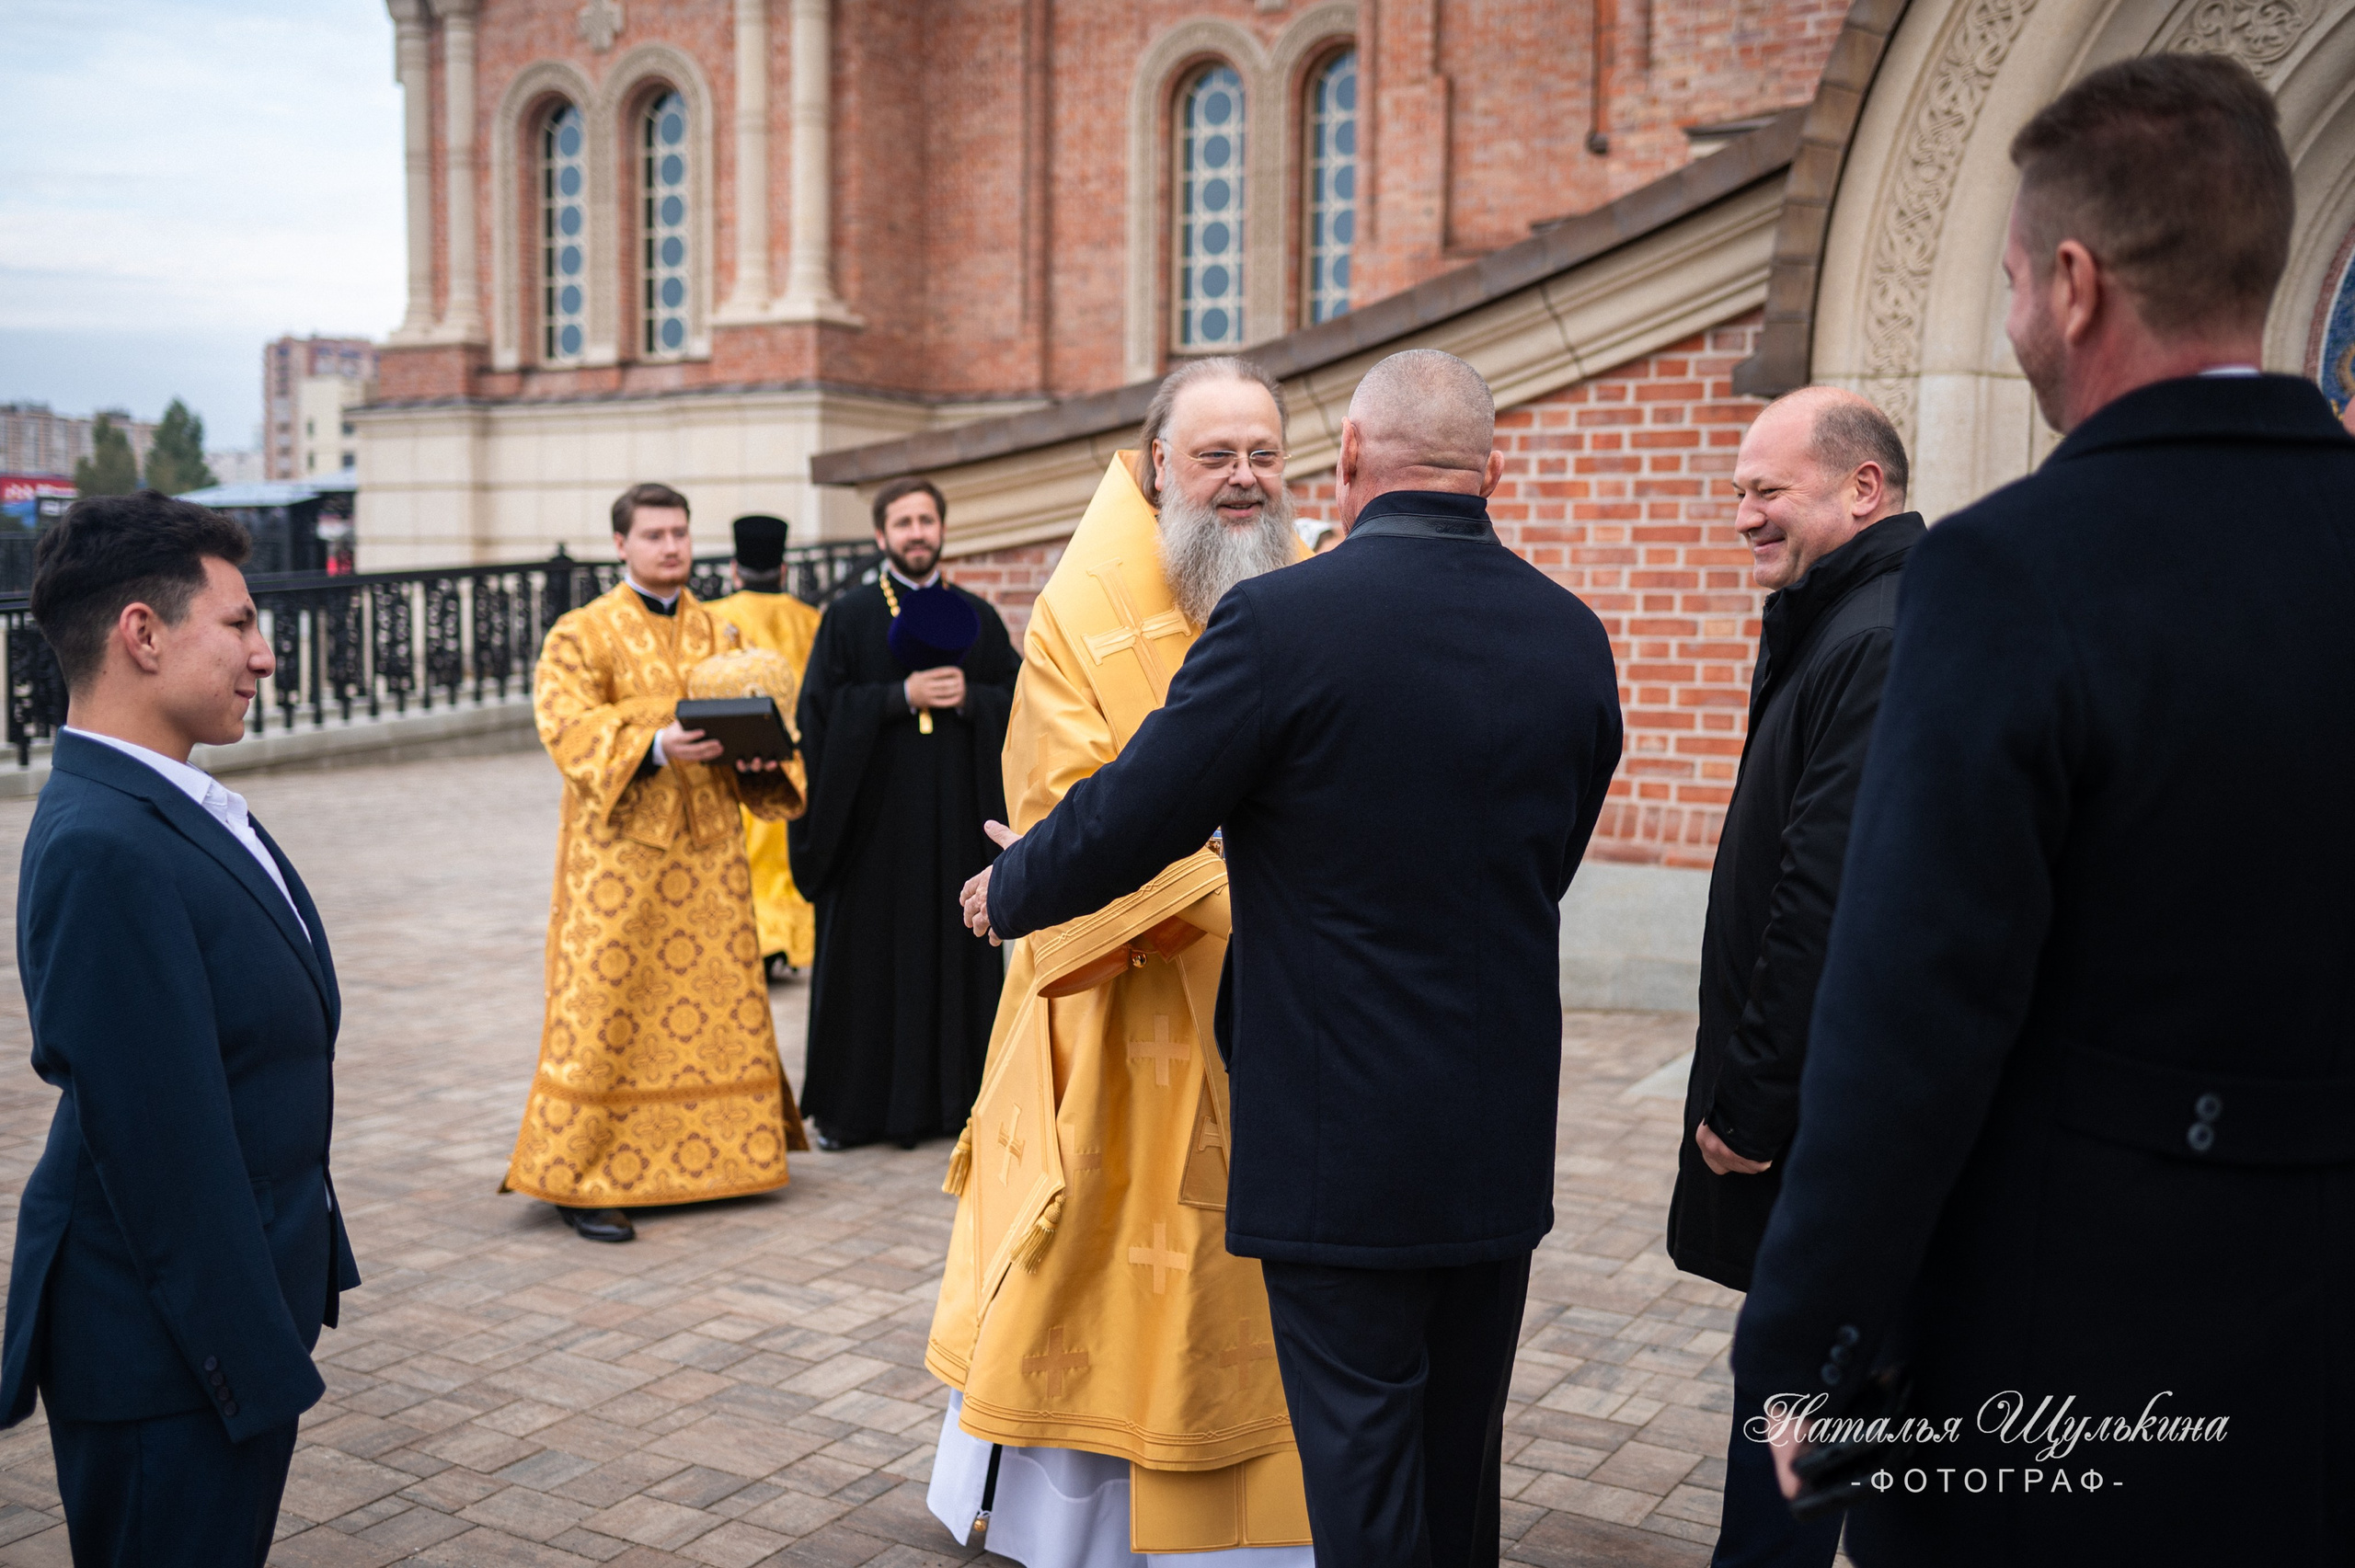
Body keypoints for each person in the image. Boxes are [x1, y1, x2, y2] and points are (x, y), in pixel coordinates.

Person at [1736, 55, 2355, 1562]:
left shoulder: (2011, 570)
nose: (2012, 315)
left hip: (2069, 1371)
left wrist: (1795, 1376)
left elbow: (1907, 1025)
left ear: (2073, 284)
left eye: (2011, 279)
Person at [962, 349, 1624, 1566]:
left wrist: (1012, 886)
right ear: (1496, 470)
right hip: (1494, 1131)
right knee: (1457, 1454)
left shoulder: (1282, 621)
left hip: (1335, 1137)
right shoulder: (1574, 637)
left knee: (1362, 1468)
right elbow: (1552, 862)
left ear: (1350, 462)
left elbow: (1136, 811)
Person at [925, 359, 1313, 1564]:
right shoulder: (1078, 611)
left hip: (1283, 1026)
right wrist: (1267, 887)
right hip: (1127, 1023)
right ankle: (1081, 1528)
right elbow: (1056, 822)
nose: (1244, 478)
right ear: (1160, 468)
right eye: (1216, 456)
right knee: (1117, 1263)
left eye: (1263, 452)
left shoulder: (1316, 584)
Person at [0, 492, 361, 1562]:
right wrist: (249, 1364)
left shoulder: (169, 803)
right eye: (241, 623)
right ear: (142, 635)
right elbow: (161, 1142)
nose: (265, 655)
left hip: (217, 1314)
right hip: (165, 1352)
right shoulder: (100, 844)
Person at [1660, 387, 1919, 1568]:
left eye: (1766, 490)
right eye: (1737, 495)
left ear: (1861, 488)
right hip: (1831, 1113)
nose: (1744, 517)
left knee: (1799, 1386)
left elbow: (1821, 897)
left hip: (1815, 1123)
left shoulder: (1868, 638)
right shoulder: (1848, 617)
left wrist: (1751, 1108)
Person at [502, 482, 809, 1243]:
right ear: (621, 545)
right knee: (605, 1004)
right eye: (653, 535)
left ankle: (712, 1162)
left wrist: (766, 749)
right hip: (617, 860)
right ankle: (581, 1176)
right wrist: (654, 743)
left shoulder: (721, 632)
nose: (671, 546)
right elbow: (564, 723)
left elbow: (767, 732)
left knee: (711, 1004)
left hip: (709, 855)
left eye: (679, 532)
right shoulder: (582, 632)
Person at [790, 477, 1019, 1151]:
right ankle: (853, 1113)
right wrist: (898, 696)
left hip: (955, 827)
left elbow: (1020, 700)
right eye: (903, 521)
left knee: (954, 954)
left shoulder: (976, 615)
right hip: (871, 830)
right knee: (868, 959)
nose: (917, 531)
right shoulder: (848, 616)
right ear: (881, 534)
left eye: (927, 519)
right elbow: (819, 716)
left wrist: (974, 701)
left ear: (941, 529)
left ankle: (954, 1104)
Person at [705, 513, 823, 977]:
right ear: (784, 570)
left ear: (735, 568)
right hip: (798, 760)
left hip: (740, 757)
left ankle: (756, 940)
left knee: (751, 853)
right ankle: (789, 942)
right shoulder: (811, 619)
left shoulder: (716, 619)